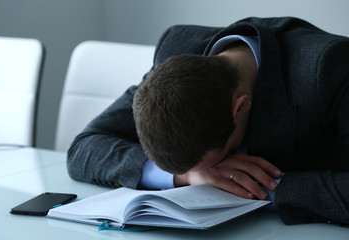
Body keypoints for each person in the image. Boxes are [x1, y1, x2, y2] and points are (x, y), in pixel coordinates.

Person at [67, 17, 349, 225]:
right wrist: (185, 176)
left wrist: (264, 188)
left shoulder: (329, 67)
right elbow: (83, 149)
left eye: (217, 160)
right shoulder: (175, 55)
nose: (213, 172)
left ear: (240, 108)